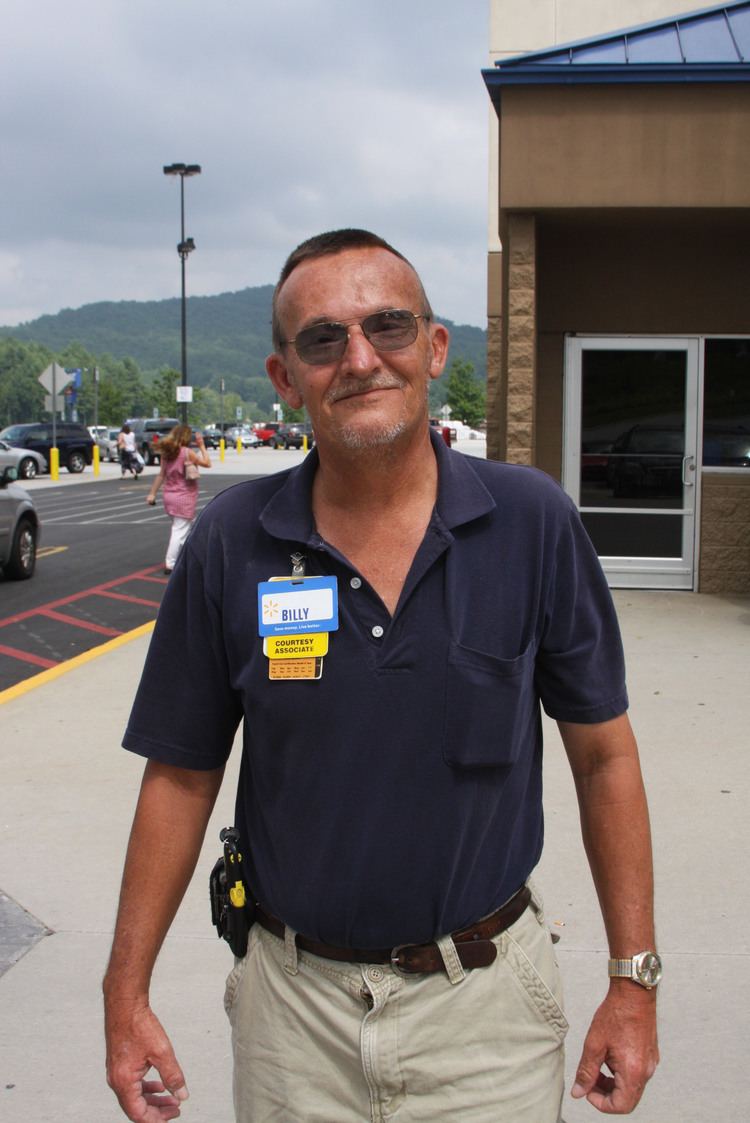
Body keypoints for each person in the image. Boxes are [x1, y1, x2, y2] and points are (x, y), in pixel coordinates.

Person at [104, 229, 659, 1123]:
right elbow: (179, 774)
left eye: (388, 327)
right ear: (286, 378)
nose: (359, 358)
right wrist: (123, 993)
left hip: (487, 1013)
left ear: (435, 349)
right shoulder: (231, 542)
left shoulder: (533, 523)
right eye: (322, 339)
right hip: (294, 1020)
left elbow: (605, 758)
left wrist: (634, 982)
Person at [145, 424, 211, 574]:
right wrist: (202, 446)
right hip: (184, 495)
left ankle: (187, 557)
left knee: (184, 529)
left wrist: (152, 493)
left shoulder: (167, 454)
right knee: (179, 530)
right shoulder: (187, 453)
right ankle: (171, 562)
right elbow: (207, 463)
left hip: (169, 495)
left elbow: (161, 474)